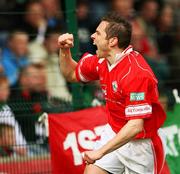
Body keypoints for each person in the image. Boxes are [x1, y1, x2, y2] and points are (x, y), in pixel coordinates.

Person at [58, 12, 166, 174]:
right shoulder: (102, 61)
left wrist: (100, 152)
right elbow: (71, 74)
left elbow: (135, 126)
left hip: (141, 145)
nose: (92, 37)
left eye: (98, 33)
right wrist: (64, 50)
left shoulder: (135, 73)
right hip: (114, 132)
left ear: (113, 41)